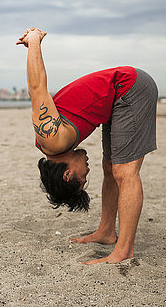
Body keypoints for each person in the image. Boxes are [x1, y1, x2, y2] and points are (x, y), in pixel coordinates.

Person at [16, 28, 158, 265]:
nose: (86, 172)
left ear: (67, 173)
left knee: (124, 173)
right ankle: (106, 232)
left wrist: (34, 43)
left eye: (82, 179)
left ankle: (124, 250)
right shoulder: (53, 146)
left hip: (131, 89)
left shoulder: (51, 138)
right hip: (116, 100)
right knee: (111, 167)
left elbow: (36, 88)